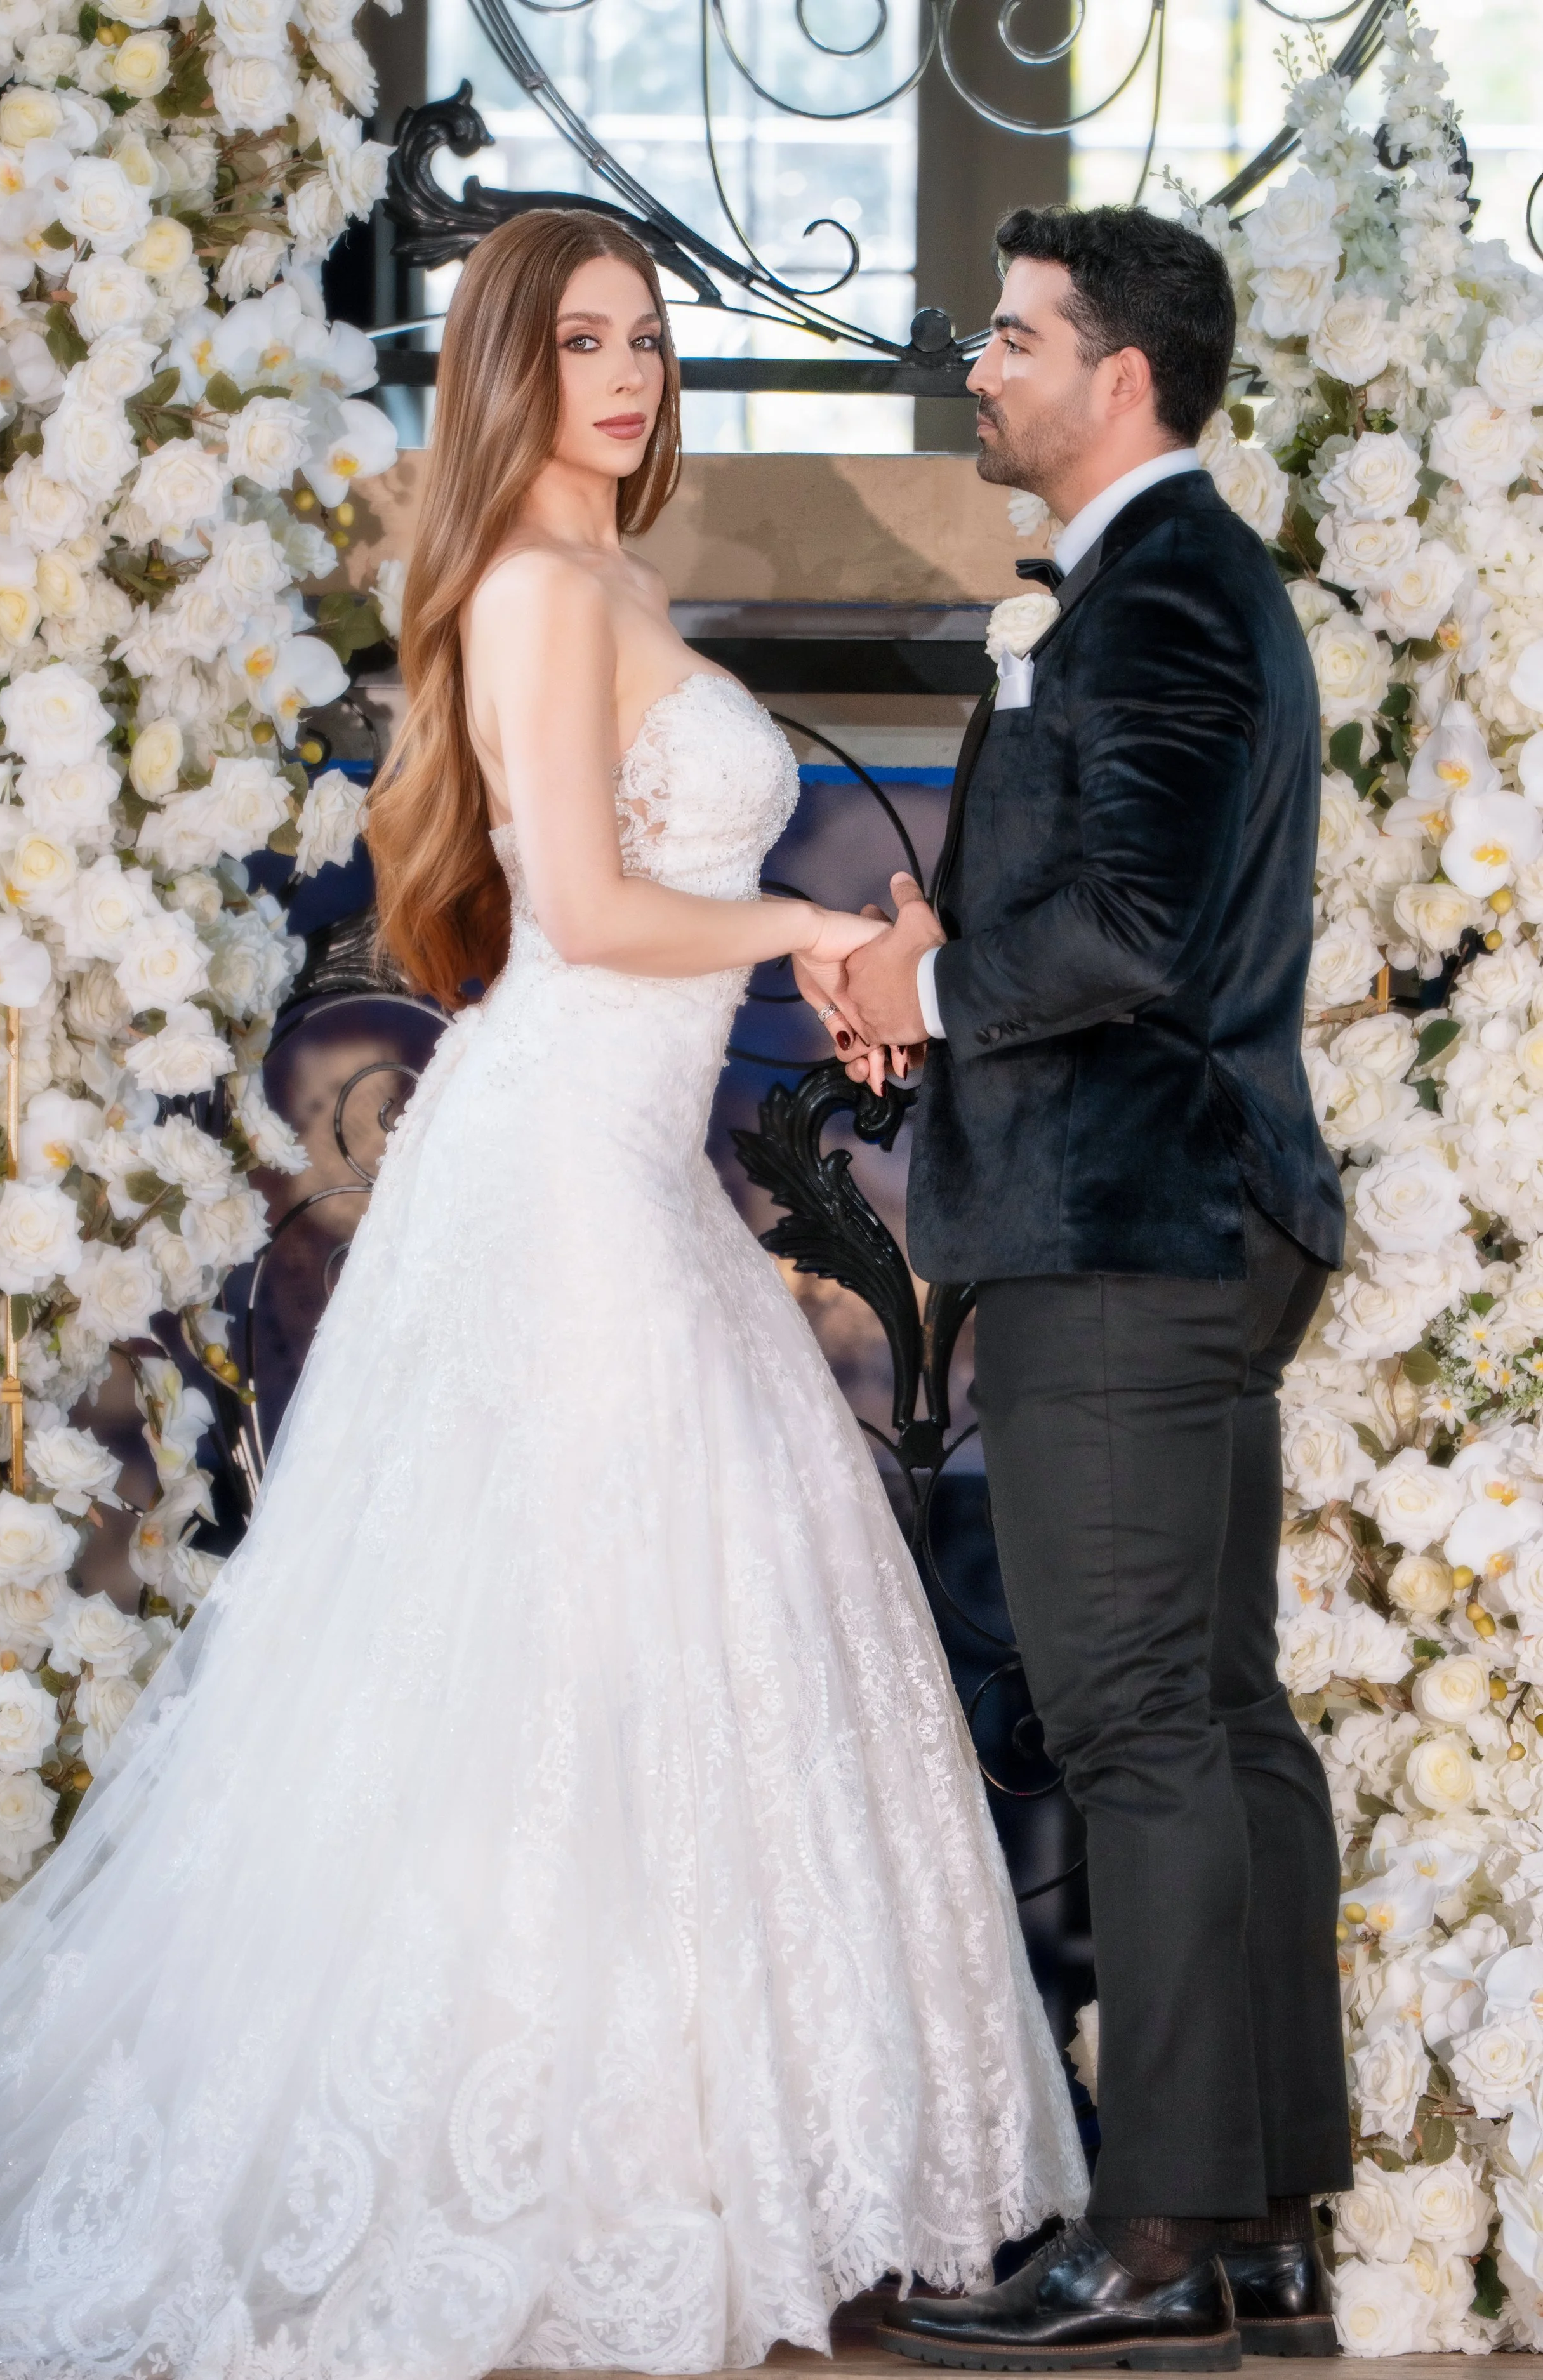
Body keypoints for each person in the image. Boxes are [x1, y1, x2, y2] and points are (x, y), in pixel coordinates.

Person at [0, 209, 1087, 2379]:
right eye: (580, 342)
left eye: (646, 339)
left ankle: (687, 2158)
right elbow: (581, 909)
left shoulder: (615, 582)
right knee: (564, 1645)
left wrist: (850, 961)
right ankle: (564, 2169)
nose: (627, 374)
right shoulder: (537, 589)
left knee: (669, 1633)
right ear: (505, 366)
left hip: (618, 1163)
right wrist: (816, 946)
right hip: (557, 1162)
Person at [812, 206, 1353, 2370]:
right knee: (1220, 1723)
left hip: (1127, 1229)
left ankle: (1147, 2238)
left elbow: (1125, 927)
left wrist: (925, 980)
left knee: (1143, 1724)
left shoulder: (1159, 597)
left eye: (1013, 337)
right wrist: (922, 968)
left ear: (1114, 374)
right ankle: (1251, 2223)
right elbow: (1109, 893)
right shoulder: (1153, 591)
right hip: (1182, 1215)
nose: (982, 368)